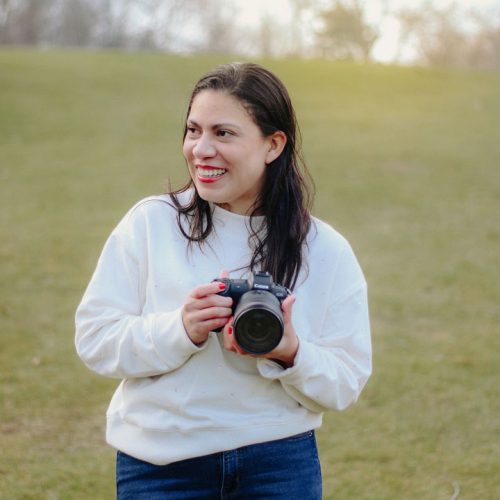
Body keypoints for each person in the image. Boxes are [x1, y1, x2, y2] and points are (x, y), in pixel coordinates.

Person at [75, 62, 372, 499]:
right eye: (194, 130)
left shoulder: (323, 249)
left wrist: (290, 353)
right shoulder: (151, 224)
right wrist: (181, 328)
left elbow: (346, 381)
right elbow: (95, 341)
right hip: (161, 467)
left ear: (273, 144)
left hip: (277, 466)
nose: (201, 149)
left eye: (223, 133)